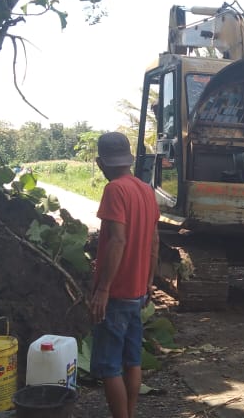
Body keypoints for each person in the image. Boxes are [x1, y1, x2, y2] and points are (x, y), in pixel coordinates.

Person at [89, 132, 160, 418]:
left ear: (100, 162)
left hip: (117, 294)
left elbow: (117, 241)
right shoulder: (145, 190)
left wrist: (103, 289)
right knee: (132, 361)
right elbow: (154, 240)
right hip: (137, 292)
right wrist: (149, 280)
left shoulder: (115, 190)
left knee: (109, 367)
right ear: (129, 159)